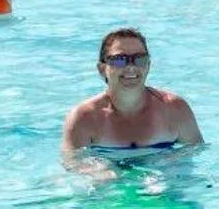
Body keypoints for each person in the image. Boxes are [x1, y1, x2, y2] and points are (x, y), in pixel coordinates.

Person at [61, 28, 204, 160]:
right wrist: (101, 172)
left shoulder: (175, 109)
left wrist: (167, 166)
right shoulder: (84, 117)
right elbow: (73, 163)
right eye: (119, 60)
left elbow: (196, 151)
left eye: (139, 59)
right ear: (101, 69)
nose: (131, 67)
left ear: (148, 65)